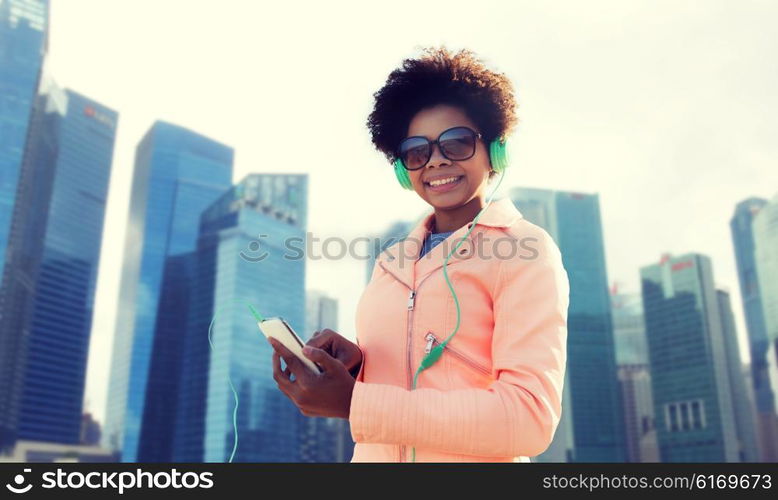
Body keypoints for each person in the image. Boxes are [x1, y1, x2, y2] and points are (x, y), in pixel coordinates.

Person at [268, 46, 570, 462]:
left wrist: (356, 403)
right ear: (403, 169)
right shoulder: (389, 264)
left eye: (457, 142)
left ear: (494, 150)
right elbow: (410, 377)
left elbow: (528, 418)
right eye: (417, 151)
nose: (436, 161)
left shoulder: (525, 250)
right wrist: (357, 367)